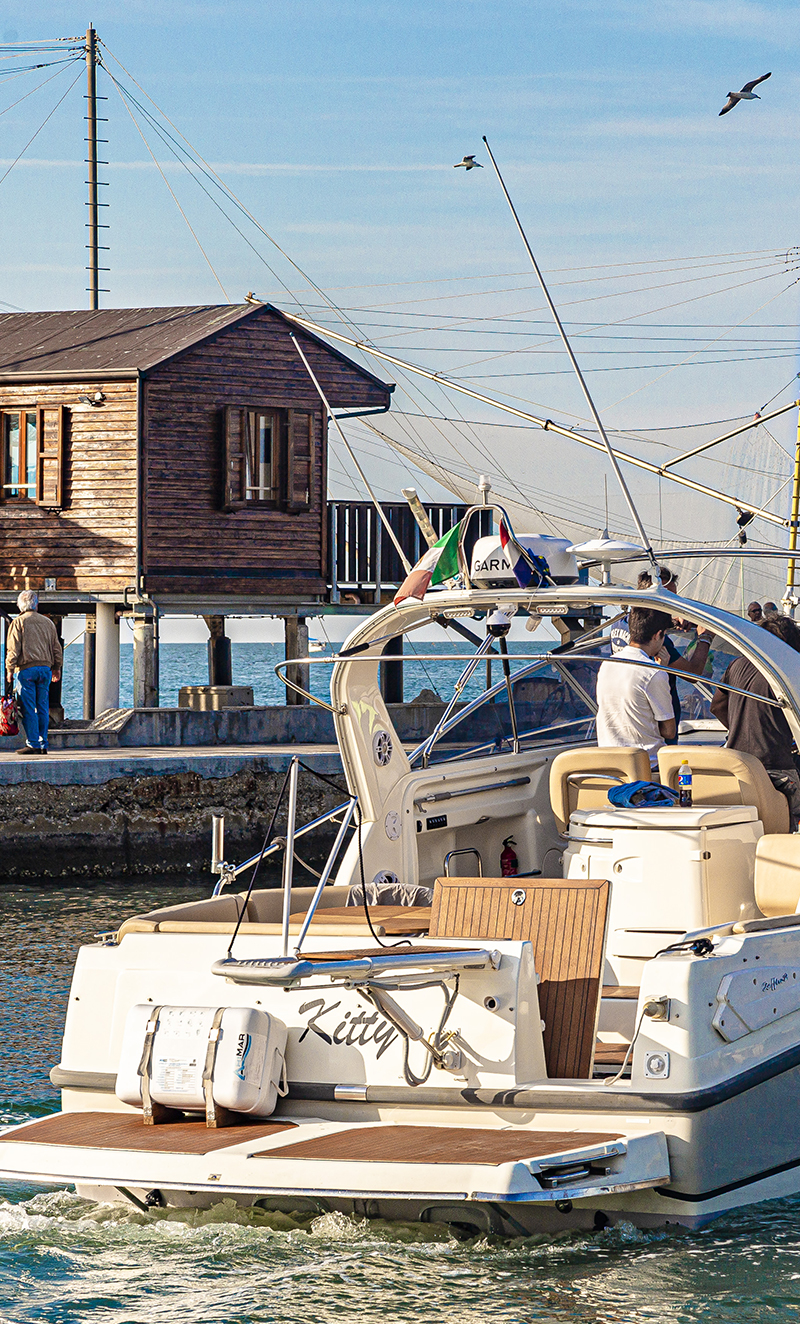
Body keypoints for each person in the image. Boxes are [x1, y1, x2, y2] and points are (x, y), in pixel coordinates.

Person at [710, 613, 800, 830]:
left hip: (736, 764)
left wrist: (742, 727)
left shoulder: (737, 665)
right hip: (775, 769)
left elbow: (717, 706)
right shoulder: (787, 669)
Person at [610, 567, 712, 738]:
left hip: (627, 723)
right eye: (668, 598)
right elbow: (693, 673)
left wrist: (669, 622)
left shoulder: (619, 625)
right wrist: (705, 637)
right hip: (658, 731)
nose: (673, 604)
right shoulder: (661, 645)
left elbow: (647, 622)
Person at [597, 607, 676, 771]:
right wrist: (663, 670)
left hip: (611, 763)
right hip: (648, 764)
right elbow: (669, 731)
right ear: (657, 635)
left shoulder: (607, 665)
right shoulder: (654, 673)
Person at [5, 590, 62, 755]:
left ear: (20, 605)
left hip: (27, 669)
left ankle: (33, 744)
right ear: (36, 604)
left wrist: (9, 670)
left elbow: (13, 650)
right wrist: (57, 667)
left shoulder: (18, 622)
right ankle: (43, 743)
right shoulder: (48, 623)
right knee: (43, 707)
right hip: (45, 669)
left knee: (29, 708)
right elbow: (56, 648)